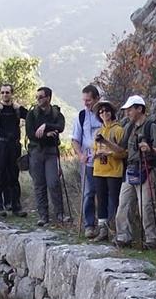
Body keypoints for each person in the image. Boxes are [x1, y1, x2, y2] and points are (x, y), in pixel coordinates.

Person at [115, 95, 156, 249]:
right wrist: (104, 142)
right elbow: (121, 149)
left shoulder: (151, 127)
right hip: (131, 169)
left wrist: (149, 149)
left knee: (146, 206)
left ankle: (151, 239)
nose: (127, 112)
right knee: (123, 204)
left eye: (130, 109)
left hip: (146, 169)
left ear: (139, 109)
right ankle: (123, 237)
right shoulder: (129, 127)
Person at [0, 83, 27, 217]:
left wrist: (20, 107)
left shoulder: (16, 109)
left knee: (14, 176)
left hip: (14, 145)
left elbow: (30, 117)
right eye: (2, 92)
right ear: (0, 94)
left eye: (7, 92)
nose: (5, 95)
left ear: (11, 93)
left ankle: (16, 206)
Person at [25, 86, 67, 225]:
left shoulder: (56, 113)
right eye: (37, 97)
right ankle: (43, 216)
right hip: (36, 152)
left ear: (48, 98)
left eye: (41, 97)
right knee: (39, 184)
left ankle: (60, 214)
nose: (38, 99)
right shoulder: (31, 114)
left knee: (53, 182)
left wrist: (45, 126)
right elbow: (31, 135)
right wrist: (47, 134)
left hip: (50, 152)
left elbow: (60, 127)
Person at [70, 84, 104, 237]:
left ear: (97, 99)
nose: (86, 103)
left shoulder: (105, 114)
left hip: (105, 161)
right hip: (88, 161)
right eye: (84, 100)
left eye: (89, 100)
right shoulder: (81, 116)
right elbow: (75, 140)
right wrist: (80, 155)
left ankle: (105, 226)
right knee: (89, 193)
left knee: (104, 193)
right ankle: (89, 226)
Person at [89, 99, 126, 241]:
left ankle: (116, 230)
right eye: (101, 111)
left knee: (114, 200)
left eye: (106, 110)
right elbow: (94, 150)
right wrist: (95, 155)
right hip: (99, 170)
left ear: (112, 112)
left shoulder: (118, 130)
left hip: (114, 170)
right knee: (101, 200)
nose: (104, 113)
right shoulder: (98, 131)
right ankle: (103, 230)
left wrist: (110, 153)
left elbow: (124, 152)